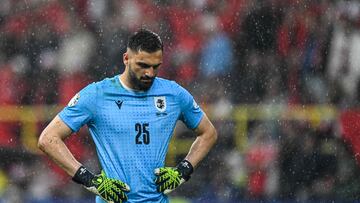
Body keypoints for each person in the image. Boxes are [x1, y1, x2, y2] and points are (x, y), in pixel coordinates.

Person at [38, 28, 218, 203]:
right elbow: (48, 139)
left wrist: (182, 171)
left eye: (156, 67)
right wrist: (90, 181)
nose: (150, 73)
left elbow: (208, 133)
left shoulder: (174, 95)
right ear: (126, 58)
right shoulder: (97, 95)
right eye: (143, 65)